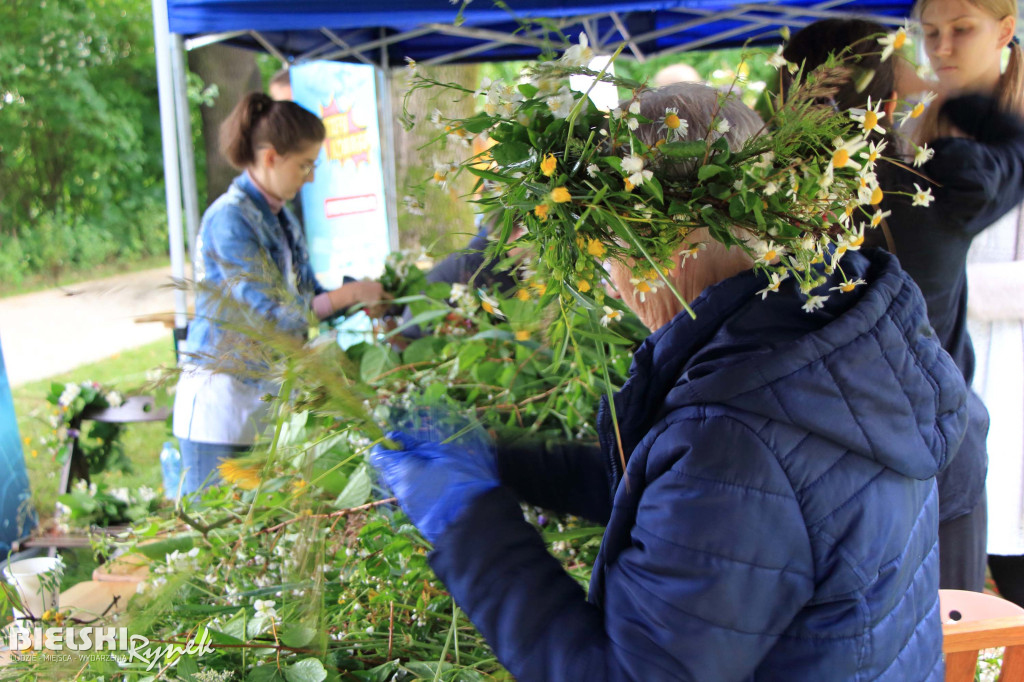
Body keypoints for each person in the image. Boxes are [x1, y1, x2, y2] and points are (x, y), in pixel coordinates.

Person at [371, 83, 968, 680]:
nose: (611, 280)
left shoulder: (735, 437)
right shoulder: (833, 330)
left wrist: (468, 520)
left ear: (663, 243)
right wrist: (505, 463)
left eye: (610, 251)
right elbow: (694, 515)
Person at [782, 15, 1024, 593]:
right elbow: (1018, 148)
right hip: (936, 453)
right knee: (943, 637)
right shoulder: (943, 184)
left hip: (809, 461)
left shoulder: (758, 201)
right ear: (889, 99)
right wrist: (955, 96)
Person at [174, 92, 384, 493]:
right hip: (221, 400)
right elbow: (273, 314)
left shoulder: (279, 214)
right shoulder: (229, 219)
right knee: (216, 535)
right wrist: (347, 296)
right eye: (304, 165)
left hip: (264, 393)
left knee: (259, 531)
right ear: (270, 157)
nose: (310, 178)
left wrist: (357, 298)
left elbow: (309, 297)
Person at [915, 0, 1024, 605]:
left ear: (1006, 30)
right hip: (942, 391)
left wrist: (936, 282)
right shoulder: (917, 125)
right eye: (931, 33)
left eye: (962, 30)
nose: (942, 48)